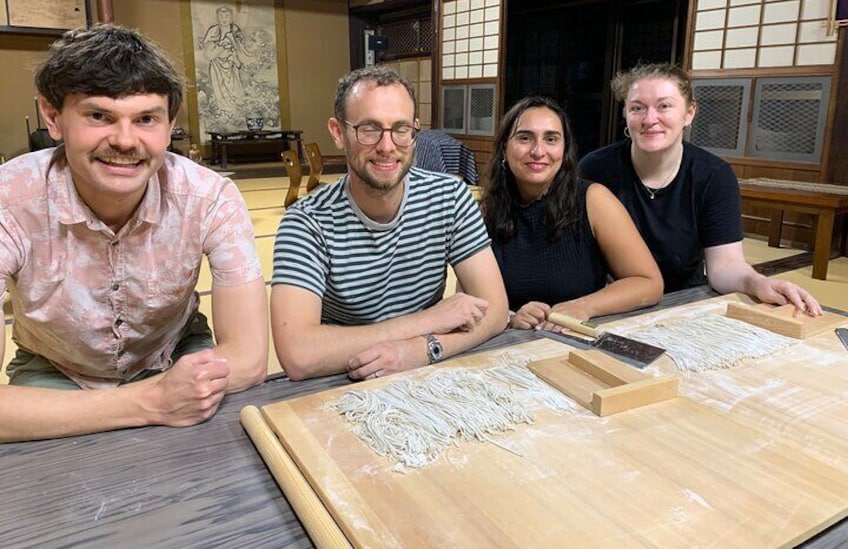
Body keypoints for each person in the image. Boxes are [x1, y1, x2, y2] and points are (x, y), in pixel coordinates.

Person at [0, 25, 268, 442]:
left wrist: (170, 390)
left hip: (178, 357)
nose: (125, 140)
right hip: (58, 371)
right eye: (98, 116)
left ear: (169, 124)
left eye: (146, 119)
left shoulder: (209, 197)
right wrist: (151, 403)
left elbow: (248, 359)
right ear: (53, 117)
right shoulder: (10, 201)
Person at [271, 66, 508, 381]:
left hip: (429, 373)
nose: (386, 146)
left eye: (400, 129)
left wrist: (423, 349)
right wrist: (428, 322)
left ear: (414, 132)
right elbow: (299, 354)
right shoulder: (306, 223)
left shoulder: (450, 197)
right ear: (338, 132)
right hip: (346, 380)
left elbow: (495, 311)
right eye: (368, 129)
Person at [580, 63, 822, 315]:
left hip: (684, 301)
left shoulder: (713, 176)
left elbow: (725, 265)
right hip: (609, 302)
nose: (650, 119)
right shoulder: (596, 169)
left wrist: (758, 282)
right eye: (637, 108)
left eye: (664, 106)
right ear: (626, 115)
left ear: (689, 113)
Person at [482, 96, 663, 330]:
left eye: (551, 139)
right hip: (510, 348)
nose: (538, 151)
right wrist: (509, 318)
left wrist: (585, 306)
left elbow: (648, 283)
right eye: (525, 138)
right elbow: (472, 299)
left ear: (564, 149)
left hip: (580, 339)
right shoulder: (486, 211)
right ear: (504, 149)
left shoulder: (594, 199)